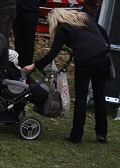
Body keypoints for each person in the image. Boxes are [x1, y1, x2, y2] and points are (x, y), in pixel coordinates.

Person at [23, 9, 110, 144]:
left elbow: (52, 54)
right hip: (103, 56)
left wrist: (33, 66)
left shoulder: (63, 28)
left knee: (81, 98)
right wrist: (106, 49)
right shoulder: (84, 18)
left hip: (85, 59)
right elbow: (103, 32)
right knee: (99, 96)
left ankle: (76, 135)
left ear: (55, 20)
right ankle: (101, 133)